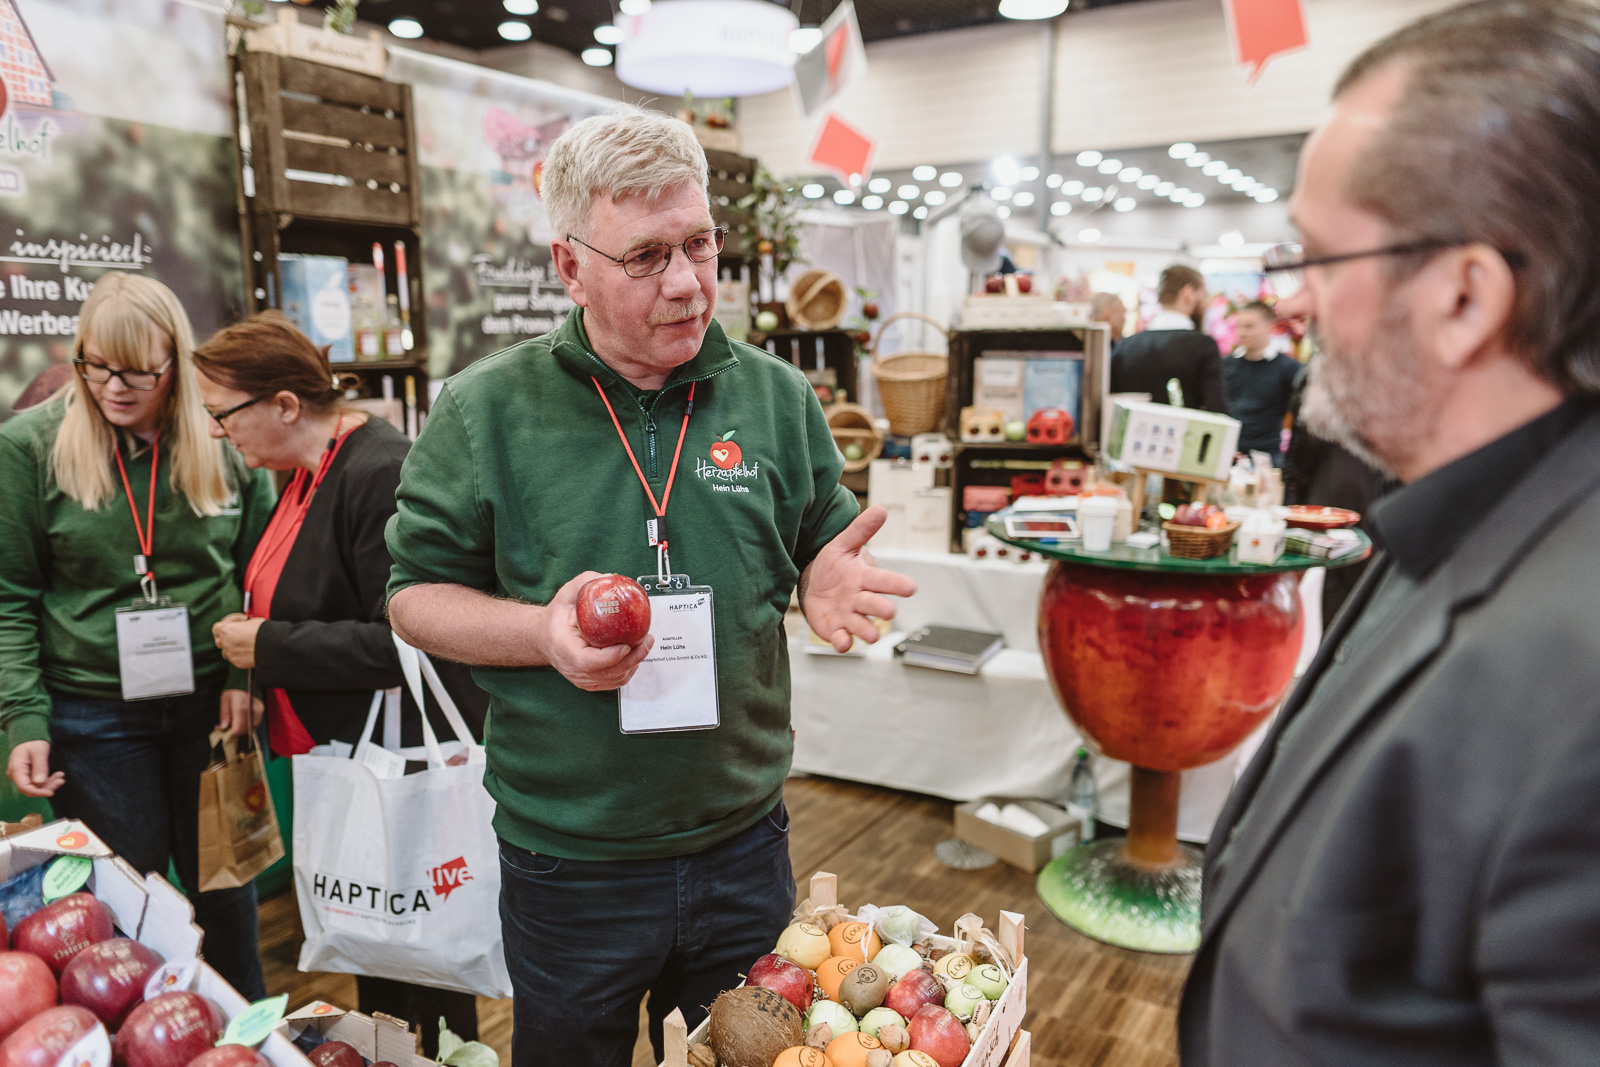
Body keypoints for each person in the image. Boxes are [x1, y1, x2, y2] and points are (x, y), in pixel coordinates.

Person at [384, 106, 916, 1066]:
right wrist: (543, 632)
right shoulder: (484, 411)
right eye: (645, 257)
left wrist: (829, 570)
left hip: (744, 845)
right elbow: (415, 597)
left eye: (701, 244)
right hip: (570, 862)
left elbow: (823, 533)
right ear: (569, 264)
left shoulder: (776, 398)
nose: (686, 282)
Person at [1181, 3, 1600, 1063]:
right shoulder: (1454, 517)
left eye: (1320, 259)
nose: (1302, 301)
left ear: (1464, 295)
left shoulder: (1572, 670)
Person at [191, 313, 485, 1055]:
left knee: (418, 959)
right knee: (379, 949)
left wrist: (268, 646)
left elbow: (407, 638)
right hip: (347, 753)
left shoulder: (377, 469)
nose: (220, 433)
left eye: (222, 414)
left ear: (285, 404)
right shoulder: (304, 477)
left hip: (396, 759)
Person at [0, 273, 274, 998]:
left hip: (210, 705)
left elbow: (261, 573)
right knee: (125, 904)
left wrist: (244, 678)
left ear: (174, 363)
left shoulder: (222, 438)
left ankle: (247, 1037)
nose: (114, 386)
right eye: (96, 365)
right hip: (94, 716)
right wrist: (24, 717)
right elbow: (10, 596)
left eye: (139, 371)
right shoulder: (28, 448)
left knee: (227, 893)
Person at [1109, 264, 1229, 413]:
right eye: (1203, 294)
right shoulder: (1203, 345)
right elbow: (1216, 409)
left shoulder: (1125, 346)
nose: (1204, 302)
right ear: (1188, 293)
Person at [1220, 301, 1300, 465]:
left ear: (1270, 327)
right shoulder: (1225, 365)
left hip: (1267, 456)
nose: (1242, 333)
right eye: (1239, 326)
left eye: (1249, 326)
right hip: (1227, 453)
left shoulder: (1288, 368)